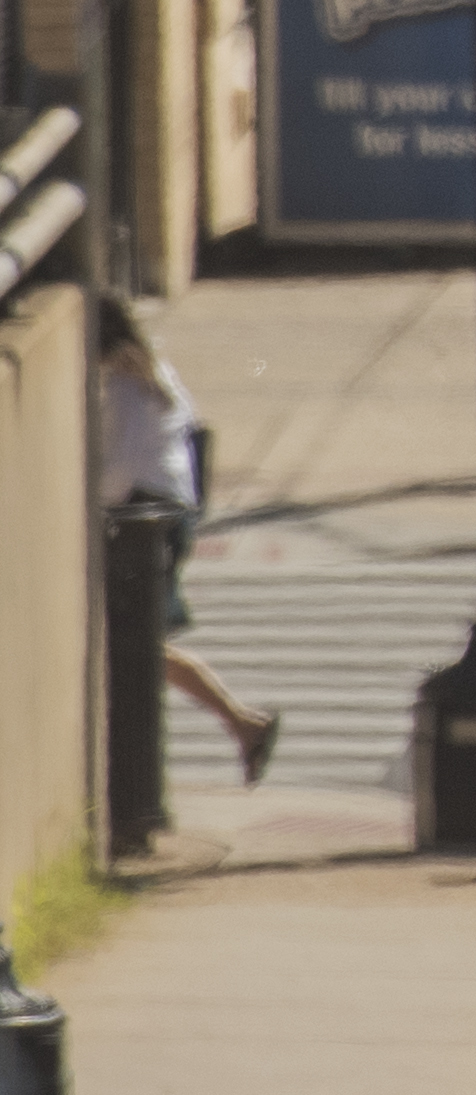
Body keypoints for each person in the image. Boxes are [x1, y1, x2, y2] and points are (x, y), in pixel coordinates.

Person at [96, 298, 273, 785]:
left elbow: (123, 468)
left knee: (136, 641)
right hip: (171, 513)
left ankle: (242, 721)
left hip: (144, 518)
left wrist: (90, 502)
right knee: (140, 640)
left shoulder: (125, 388)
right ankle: (243, 723)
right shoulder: (155, 372)